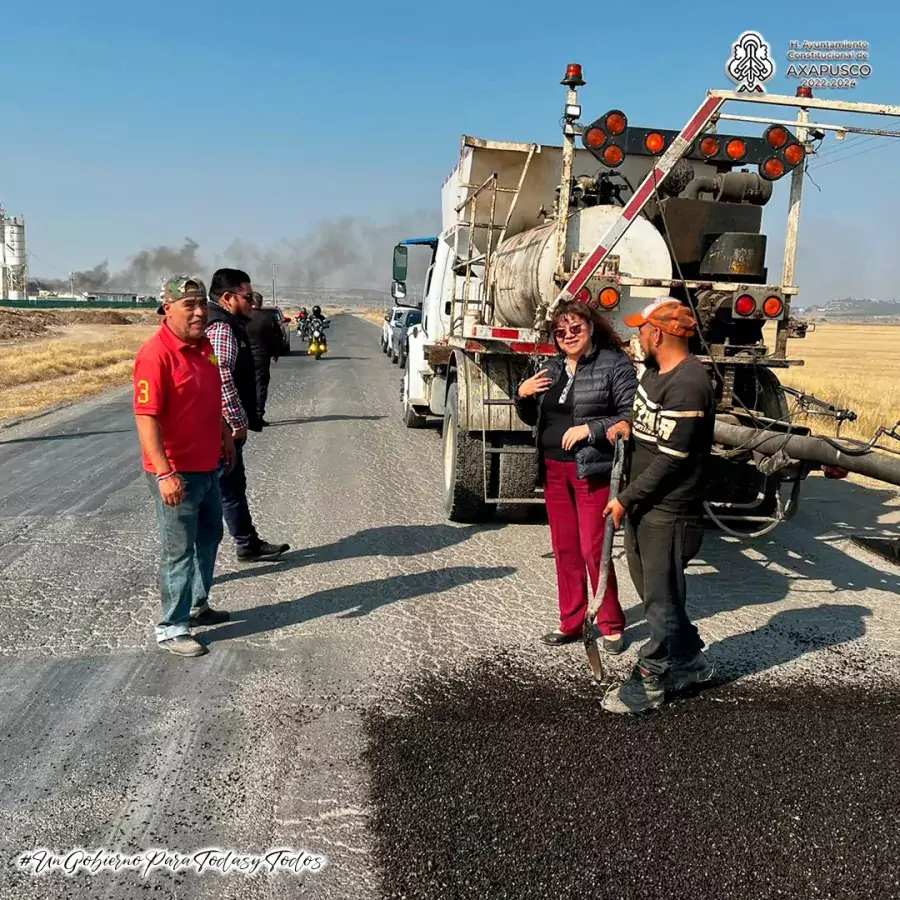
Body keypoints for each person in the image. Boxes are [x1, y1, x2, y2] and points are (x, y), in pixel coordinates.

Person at [600, 296, 717, 714]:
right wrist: (627, 426)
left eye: (642, 330)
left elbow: (673, 458)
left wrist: (624, 499)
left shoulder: (689, 383)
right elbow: (648, 421)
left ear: (660, 333)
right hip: (645, 504)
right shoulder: (653, 373)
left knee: (661, 597)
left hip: (669, 509)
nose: (638, 336)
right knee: (656, 593)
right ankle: (689, 660)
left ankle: (652, 676)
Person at [514, 299, 637, 650]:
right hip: (553, 470)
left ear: (591, 327)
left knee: (593, 549)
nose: (568, 335)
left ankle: (611, 623)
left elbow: (630, 418)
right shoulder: (550, 369)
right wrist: (521, 396)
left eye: (575, 328)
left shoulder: (614, 365)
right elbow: (535, 418)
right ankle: (571, 621)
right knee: (564, 548)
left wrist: (590, 430)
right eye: (561, 331)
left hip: (592, 471)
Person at [133, 276, 236, 658]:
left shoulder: (204, 346)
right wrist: (164, 472)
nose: (198, 312)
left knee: (209, 538)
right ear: (168, 309)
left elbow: (208, 400)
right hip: (177, 473)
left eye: (201, 305)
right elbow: (146, 418)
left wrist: (224, 433)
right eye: (188, 305)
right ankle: (172, 627)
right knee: (179, 550)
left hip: (208, 465)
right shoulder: (155, 354)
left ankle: (198, 605)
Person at [206, 268, 290, 563]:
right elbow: (220, 376)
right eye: (247, 296)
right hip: (221, 426)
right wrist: (237, 421)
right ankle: (227, 552)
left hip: (220, 424)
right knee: (222, 491)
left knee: (231, 486)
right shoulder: (221, 327)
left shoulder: (225, 322)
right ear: (228, 298)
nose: (252, 302)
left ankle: (247, 543)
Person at [245, 291, 282, 426]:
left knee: (246, 385)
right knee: (260, 385)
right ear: (260, 302)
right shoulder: (267, 318)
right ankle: (258, 415)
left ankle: (246, 415)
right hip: (262, 357)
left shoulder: (242, 316)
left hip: (244, 356)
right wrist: (276, 352)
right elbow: (277, 335)